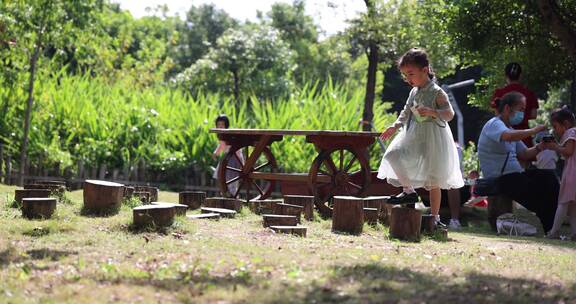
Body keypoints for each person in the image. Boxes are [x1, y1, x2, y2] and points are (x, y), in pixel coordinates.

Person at [378, 48, 464, 226]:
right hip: (413, 134)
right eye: (405, 75)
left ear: (425, 70)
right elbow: (406, 111)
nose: (408, 79)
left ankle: (435, 218)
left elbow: (449, 114)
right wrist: (395, 126)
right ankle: (408, 191)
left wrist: (433, 112)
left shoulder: (437, 92)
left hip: (434, 136)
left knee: (434, 180)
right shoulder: (414, 91)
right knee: (392, 155)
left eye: (411, 74)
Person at [478, 91, 558, 233]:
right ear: (508, 108)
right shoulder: (494, 124)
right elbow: (508, 136)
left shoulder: (510, 128)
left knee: (548, 178)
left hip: (514, 176)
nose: (522, 113)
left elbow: (525, 154)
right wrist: (533, 130)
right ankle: (551, 229)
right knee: (539, 197)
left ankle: (553, 226)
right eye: (520, 109)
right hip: (501, 179)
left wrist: (542, 146)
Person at [543, 106, 576, 240]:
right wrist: (557, 146)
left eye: (556, 126)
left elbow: (568, 151)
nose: (555, 130)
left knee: (563, 202)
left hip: (571, 173)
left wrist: (554, 147)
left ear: (566, 124)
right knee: (573, 205)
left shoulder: (571, 132)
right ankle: (574, 233)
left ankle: (554, 231)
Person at [490, 62, 539, 147]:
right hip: (524, 136)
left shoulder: (499, 93)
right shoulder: (529, 93)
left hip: (505, 135)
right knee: (525, 157)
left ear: (506, 76)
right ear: (520, 76)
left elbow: (497, 114)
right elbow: (534, 115)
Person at [212, 114, 244, 195]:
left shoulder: (228, 134)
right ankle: (226, 193)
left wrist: (216, 153)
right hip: (227, 157)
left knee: (231, 178)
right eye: (218, 124)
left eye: (222, 124)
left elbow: (222, 146)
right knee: (224, 177)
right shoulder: (221, 134)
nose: (220, 126)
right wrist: (216, 153)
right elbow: (221, 146)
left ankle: (232, 194)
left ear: (226, 125)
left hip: (233, 158)